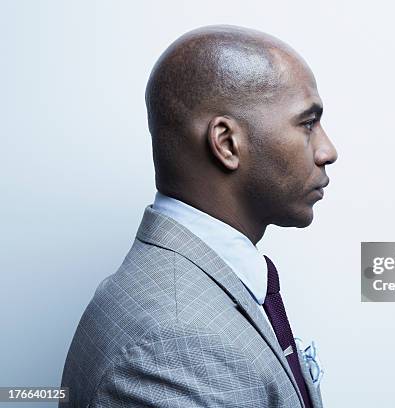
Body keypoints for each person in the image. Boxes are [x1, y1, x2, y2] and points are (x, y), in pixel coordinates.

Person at [59, 25, 338, 408]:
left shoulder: (199, 292)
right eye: (308, 124)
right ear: (226, 143)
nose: (328, 150)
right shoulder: (173, 343)